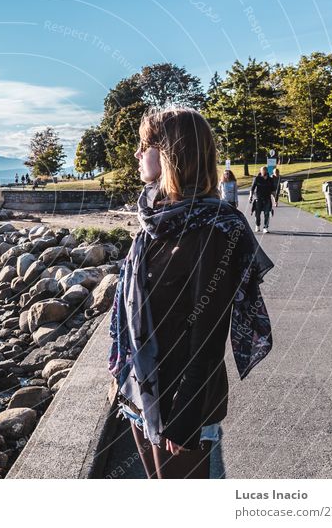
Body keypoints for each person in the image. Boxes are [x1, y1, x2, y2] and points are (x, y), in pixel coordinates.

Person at [109, 106, 275, 479]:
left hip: (182, 408)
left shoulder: (215, 229)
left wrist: (183, 416)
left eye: (144, 145)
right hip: (141, 393)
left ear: (171, 153)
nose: (137, 154)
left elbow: (208, 334)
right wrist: (119, 377)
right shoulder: (155, 220)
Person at [249, 167, 275, 233]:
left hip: (267, 199)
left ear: (267, 171)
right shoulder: (257, 178)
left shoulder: (270, 179)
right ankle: (257, 225)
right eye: (262, 171)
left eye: (265, 171)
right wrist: (250, 196)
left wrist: (275, 200)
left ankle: (265, 227)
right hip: (258, 198)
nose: (264, 172)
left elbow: (273, 190)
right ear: (260, 171)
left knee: (267, 213)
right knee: (257, 214)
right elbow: (252, 188)